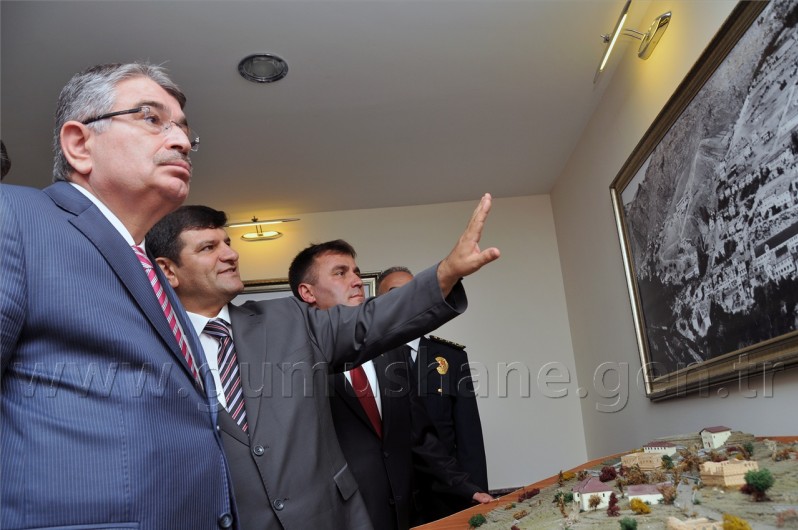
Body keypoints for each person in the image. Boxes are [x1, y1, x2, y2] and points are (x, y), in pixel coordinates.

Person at [147, 197, 500, 530]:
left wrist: (446, 273)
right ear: (168, 270)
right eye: (209, 248)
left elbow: (371, 321)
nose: (231, 254)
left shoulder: (290, 319)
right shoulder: (151, 349)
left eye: (227, 243)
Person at [0, 63, 237, 529]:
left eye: (184, 130)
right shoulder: (14, 217)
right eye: (151, 118)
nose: (181, 141)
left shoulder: (150, 269)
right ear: (79, 144)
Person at [288, 241, 493, 530]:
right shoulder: (294, 361)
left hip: (405, 515)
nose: (356, 281)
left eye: (356, 272)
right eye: (341, 273)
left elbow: (418, 436)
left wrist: (464, 487)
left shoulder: (391, 352)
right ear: (308, 292)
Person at [377, 266, 489, 522]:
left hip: (446, 493)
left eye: (412, 292)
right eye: (395, 293)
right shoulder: (367, 360)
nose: (405, 299)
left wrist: (475, 493)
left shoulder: (451, 358)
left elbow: (469, 437)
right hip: (391, 496)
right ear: (379, 303)